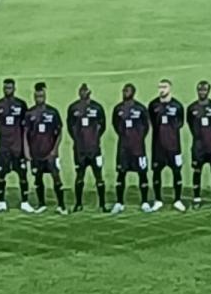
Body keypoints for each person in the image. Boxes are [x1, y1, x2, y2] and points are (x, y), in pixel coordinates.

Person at [0, 78, 30, 214]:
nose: (8, 90)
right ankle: (1, 202)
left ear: (14, 88)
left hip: (18, 147)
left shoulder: (21, 105)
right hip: (3, 147)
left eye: (10, 88)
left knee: (23, 175)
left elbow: (26, 124)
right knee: (0, 175)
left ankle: (25, 202)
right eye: (6, 88)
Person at [25, 82, 66, 214]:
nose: (39, 99)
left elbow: (59, 132)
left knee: (56, 178)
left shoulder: (52, 112)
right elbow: (25, 134)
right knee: (38, 179)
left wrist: (55, 150)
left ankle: (61, 205)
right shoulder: (30, 113)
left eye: (41, 96)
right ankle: (41, 204)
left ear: (45, 96)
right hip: (36, 153)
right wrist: (27, 151)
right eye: (37, 96)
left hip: (50, 154)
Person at [67, 83, 107, 212]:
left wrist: (94, 139)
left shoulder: (97, 108)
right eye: (81, 91)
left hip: (95, 149)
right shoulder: (73, 108)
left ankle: (102, 204)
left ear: (89, 93)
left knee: (99, 176)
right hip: (79, 150)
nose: (83, 94)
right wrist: (78, 140)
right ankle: (78, 204)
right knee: (79, 176)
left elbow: (103, 126)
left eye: (85, 91)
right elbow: (70, 127)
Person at [112, 83, 152, 214]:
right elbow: (115, 125)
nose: (124, 92)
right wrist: (125, 137)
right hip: (123, 148)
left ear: (133, 92)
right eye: (124, 90)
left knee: (142, 174)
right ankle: (119, 203)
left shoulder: (140, 109)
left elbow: (146, 126)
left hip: (138, 148)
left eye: (127, 91)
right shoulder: (118, 109)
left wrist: (138, 138)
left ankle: (145, 202)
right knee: (121, 174)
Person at [147, 79, 185, 212]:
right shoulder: (153, 105)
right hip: (158, 146)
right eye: (160, 87)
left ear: (170, 88)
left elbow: (180, 123)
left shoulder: (177, 106)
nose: (162, 89)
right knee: (156, 172)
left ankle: (178, 200)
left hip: (174, 146)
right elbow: (151, 122)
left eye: (164, 87)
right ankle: (158, 200)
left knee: (177, 172)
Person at [186, 81, 211, 209]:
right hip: (198, 147)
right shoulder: (192, 108)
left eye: (204, 90)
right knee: (197, 171)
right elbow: (190, 124)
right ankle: (197, 198)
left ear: (209, 91)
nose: (202, 92)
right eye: (200, 90)